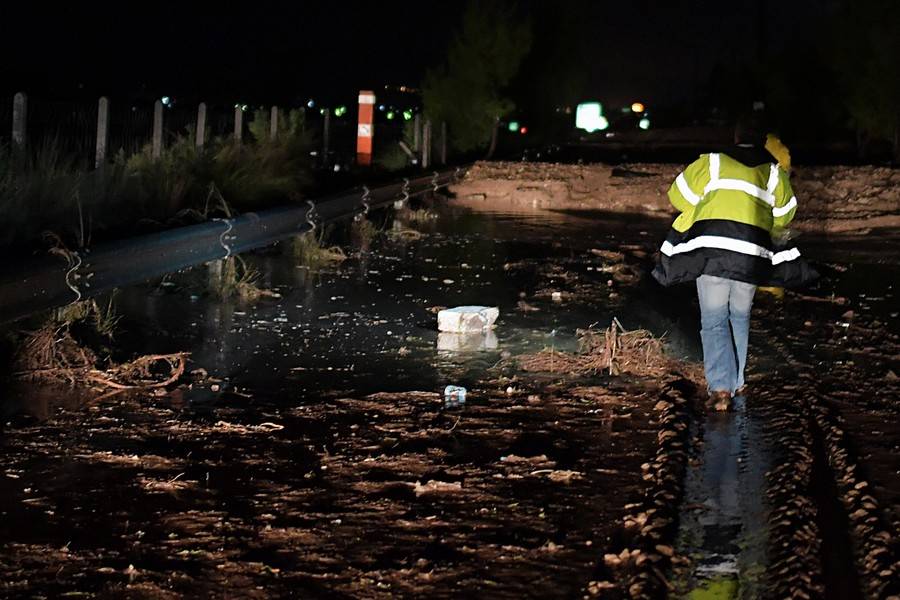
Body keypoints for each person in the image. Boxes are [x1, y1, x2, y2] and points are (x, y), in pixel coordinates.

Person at [652, 114, 817, 411]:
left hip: (712, 252)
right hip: (751, 257)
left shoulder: (713, 162)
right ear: (763, 140)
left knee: (714, 320)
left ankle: (720, 388)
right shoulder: (774, 173)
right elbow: (787, 213)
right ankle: (738, 380)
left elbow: (678, 196)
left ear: (735, 136)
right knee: (739, 317)